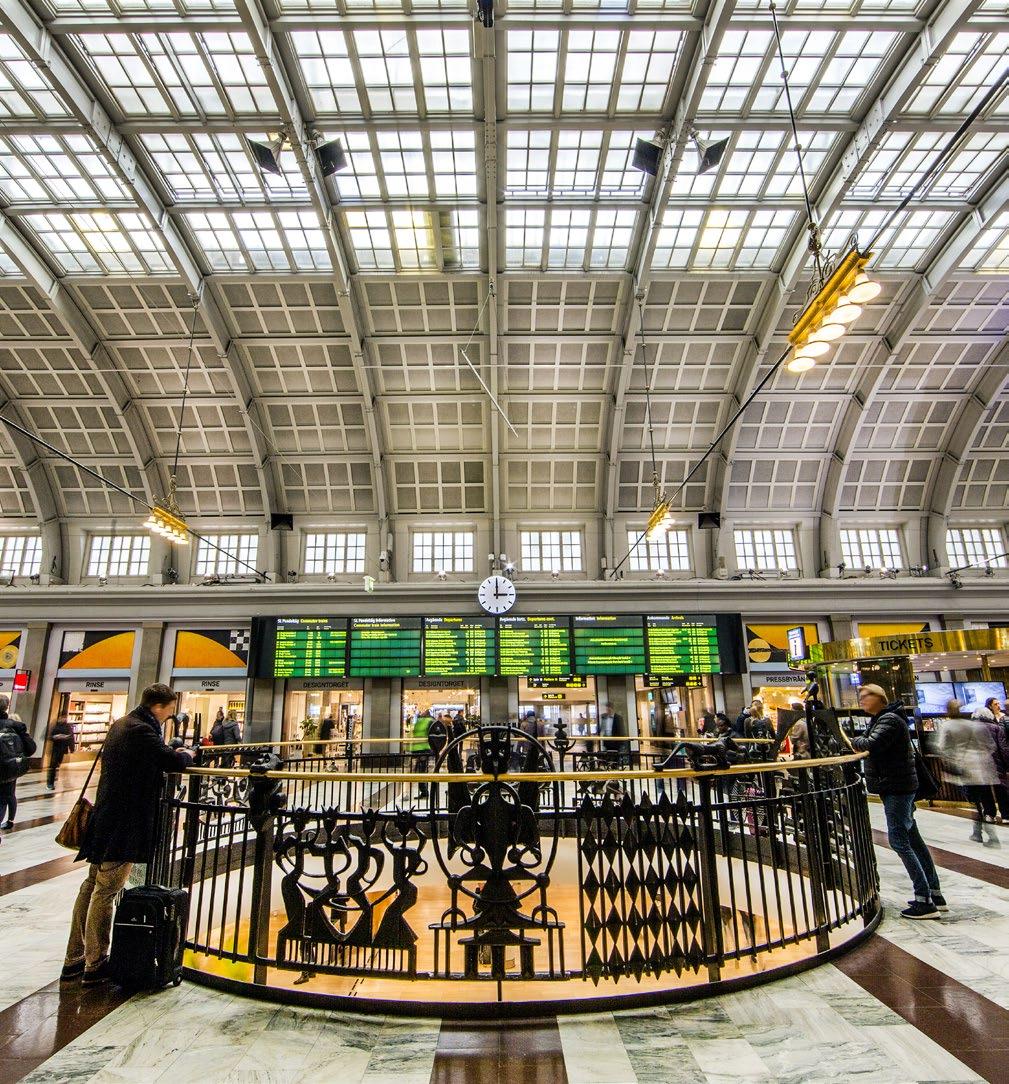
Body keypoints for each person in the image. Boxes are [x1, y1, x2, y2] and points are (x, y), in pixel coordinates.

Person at [62, 683, 194, 984]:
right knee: (105, 890)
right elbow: (173, 761)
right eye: (170, 709)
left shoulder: (123, 724)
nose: (171, 714)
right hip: (122, 824)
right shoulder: (141, 730)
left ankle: (74, 957)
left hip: (106, 818)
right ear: (159, 706)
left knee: (91, 885)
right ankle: (95, 963)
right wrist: (187, 753)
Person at [850, 683, 944, 919]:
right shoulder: (884, 719)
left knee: (899, 840)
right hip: (897, 785)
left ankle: (925, 902)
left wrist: (855, 741)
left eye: (865, 696)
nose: (861, 700)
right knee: (914, 839)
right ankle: (935, 893)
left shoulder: (889, 720)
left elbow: (870, 743)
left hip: (897, 787)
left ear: (878, 697)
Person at [0, 699, 37, 834]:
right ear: (6, 707)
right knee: (4, 799)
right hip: (8, 771)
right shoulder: (16, 726)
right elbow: (31, 749)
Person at [47, 716, 76, 791]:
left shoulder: (68, 727)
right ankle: (50, 783)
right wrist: (55, 737)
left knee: (57, 764)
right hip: (56, 748)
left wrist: (72, 748)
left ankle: (53, 780)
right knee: (53, 765)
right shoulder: (55, 726)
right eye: (61, 718)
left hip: (62, 749)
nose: (63, 719)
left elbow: (71, 737)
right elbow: (50, 736)